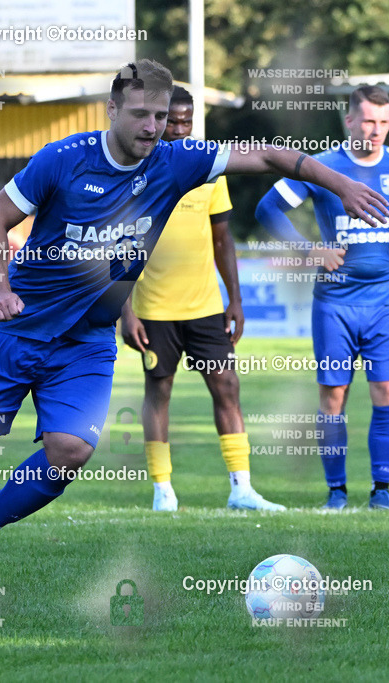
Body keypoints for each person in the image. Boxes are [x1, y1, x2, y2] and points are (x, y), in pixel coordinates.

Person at [0, 59, 388, 601]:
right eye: (140, 113)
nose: (151, 125)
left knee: (70, 451)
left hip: (86, 341)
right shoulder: (63, 160)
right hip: (18, 328)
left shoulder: (176, 161)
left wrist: (341, 184)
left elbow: (270, 155)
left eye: (161, 115)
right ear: (113, 109)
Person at [255, 85, 389, 510]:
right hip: (335, 306)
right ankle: (336, 493)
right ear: (349, 121)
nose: (375, 130)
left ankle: (382, 492)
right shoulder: (323, 166)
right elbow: (267, 209)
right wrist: (311, 251)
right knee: (333, 397)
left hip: (387, 305)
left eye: (383, 122)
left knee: (387, 393)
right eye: (368, 121)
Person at [119, 86, 282, 512]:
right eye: (171, 121)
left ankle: (241, 488)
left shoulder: (209, 167)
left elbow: (222, 238)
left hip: (207, 307)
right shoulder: (135, 170)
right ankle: (163, 491)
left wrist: (236, 300)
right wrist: (125, 309)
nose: (178, 129)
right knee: (159, 391)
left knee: (227, 387)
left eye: (186, 121)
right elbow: (117, 246)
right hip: (153, 308)